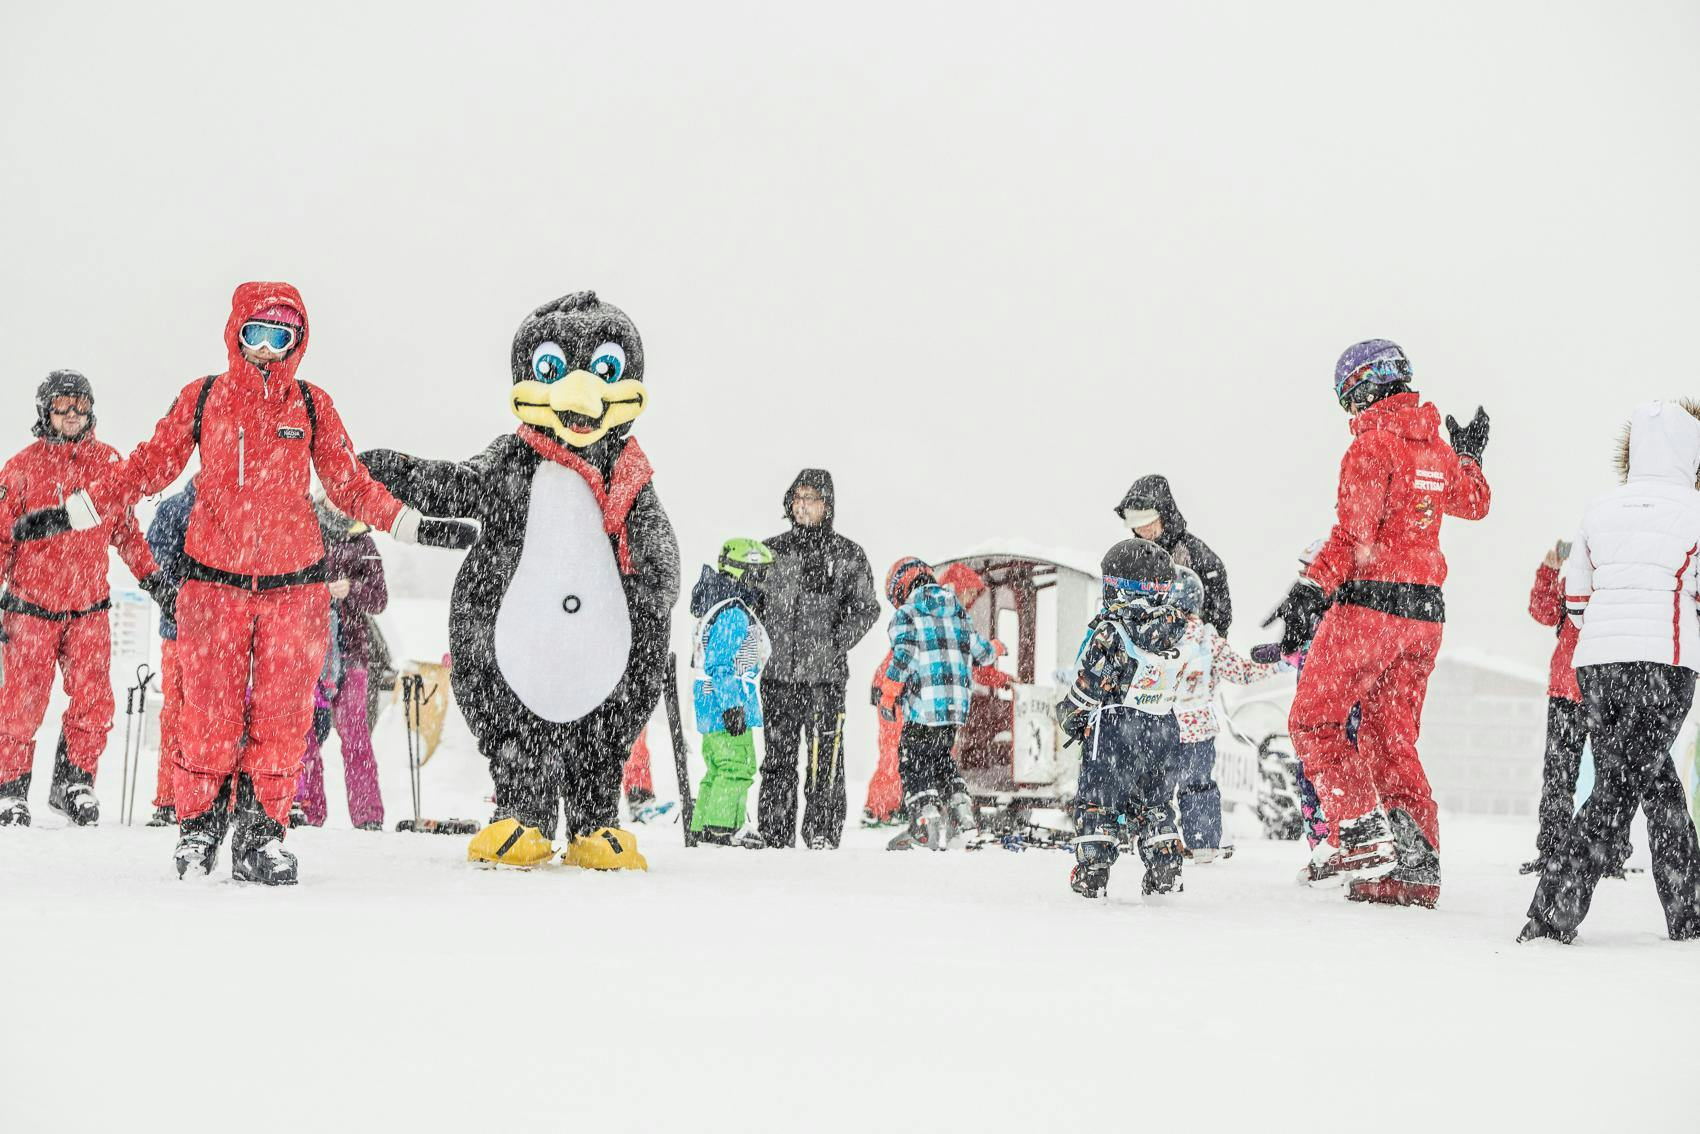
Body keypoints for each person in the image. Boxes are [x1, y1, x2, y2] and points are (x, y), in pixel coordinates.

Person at [114, 282, 426, 883]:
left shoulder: (311, 405)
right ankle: (199, 827)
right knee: (209, 711)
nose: (266, 349)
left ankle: (261, 834)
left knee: (285, 715)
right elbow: (152, 464)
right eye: (256, 334)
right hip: (213, 584)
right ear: (236, 333)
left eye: (280, 336)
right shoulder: (204, 398)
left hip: (295, 587)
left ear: (297, 342)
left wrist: (405, 522)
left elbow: (349, 483)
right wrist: (94, 503)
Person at [1271, 339, 1489, 909]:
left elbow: (1353, 537)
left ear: (1361, 389)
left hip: (1370, 606)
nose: (1350, 414)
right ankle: (1413, 869)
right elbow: (1474, 502)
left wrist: (1309, 590)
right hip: (1424, 617)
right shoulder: (1437, 451)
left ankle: (1363, 835)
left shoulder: (1372, 446)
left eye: (1348, 401)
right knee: (1389, 738)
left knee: (1315, 720)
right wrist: (1470, 458)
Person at [1521, 400, 1700, 944]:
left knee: (1654, 782)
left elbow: (1575, 599)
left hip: (1597, 667)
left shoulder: (1599, 508)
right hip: (1664, 665)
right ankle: (1553, 913)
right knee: (1621, 786)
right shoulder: (1694, 511)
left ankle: (1689, 909)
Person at [0, 371, 172, 827]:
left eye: (80, 406)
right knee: (21, 702)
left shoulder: (108, 464)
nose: (73, 415)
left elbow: (127, 533)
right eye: (63, 407)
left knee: (95, 702)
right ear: (45, 412)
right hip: (29, 609)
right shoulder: (19, 470)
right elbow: (1, 541)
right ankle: (9, 789)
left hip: (89, 609)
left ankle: (74, 783)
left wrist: (154, 579)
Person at [1056, 538, 1190, 898]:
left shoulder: (1111, 629)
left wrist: (1070, 713)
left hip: (1114, 728)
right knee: (1157, 801)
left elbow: (1090, 681)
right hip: (1163, 727)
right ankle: (1164, 859)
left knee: (1099, 798)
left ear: (1115, 588)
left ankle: (1094, 867)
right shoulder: (1177, 628)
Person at [755, 469, 879, 849]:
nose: (803, 505)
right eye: (798, 498)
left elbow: (866, 608)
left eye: (812, 498)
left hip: (825, 681)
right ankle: (774, 834)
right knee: (777, 761)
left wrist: (835, 641)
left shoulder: (847, 554)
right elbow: (751, 605)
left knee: (825, 762)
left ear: (828, 505)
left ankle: (822, 833)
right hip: (776, 676)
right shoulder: (769, 551)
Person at [862, 562, 1007, 827]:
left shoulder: (908, 613)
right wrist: (996, 648)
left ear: (901, 589)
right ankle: (960, 806)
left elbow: (903, 657)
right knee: (941, 758)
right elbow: (981, 654)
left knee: (910, 759)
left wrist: (888, 695)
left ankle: (923, 816)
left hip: (920, 703)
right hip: (954, 709)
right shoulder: (957, 612)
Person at [1523, 539, 1633, 876]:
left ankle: (1594, 852)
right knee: (1580, 777)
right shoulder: (1587, 583)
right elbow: (1542, 611)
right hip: (1588, 691)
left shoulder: (1609, 585)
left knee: (1591, 777)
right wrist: (1550, 568)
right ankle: (1580, 851)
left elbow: (1543, 612)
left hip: (1585, 689)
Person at [290, 498, 389, 830]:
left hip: (353, 652)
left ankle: (368, 816)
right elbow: (287, 586)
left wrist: (353, 589)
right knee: (305, 736)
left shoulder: (365, 541)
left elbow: (380, 598)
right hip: (308, 652)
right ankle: (307, 809)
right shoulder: (302, 528)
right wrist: (317, 591)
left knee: (357, 736)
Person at [1171, 565, 1279, 860]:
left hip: (1164, 725)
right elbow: (1243, 672)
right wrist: (1277, 664)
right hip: (1200, 730)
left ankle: (1157, 839)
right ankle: (1204, 842)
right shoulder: (1208, 641)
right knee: (1199, 785)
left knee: (1156, 787)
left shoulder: (1158, 637)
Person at [687, 538, 773, 847]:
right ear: (741, 573)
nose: (763, 583)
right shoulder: (734, 612)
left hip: (712, 703)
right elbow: (721, 664)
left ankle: (706, 825)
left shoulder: (721, 606)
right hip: (724, 704)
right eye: (758, 574)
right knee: (737, 766)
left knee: (719, 768)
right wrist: (732, 705)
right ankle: (722, 827)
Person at [1114, 474, 1232, 635]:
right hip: (1143, 644)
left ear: (1165, 515)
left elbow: (1220, 617)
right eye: (1136, 525)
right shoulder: (1135, 557)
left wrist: (1200, 636)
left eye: (1148, 522)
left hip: (1188, 647)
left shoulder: (1199, 557)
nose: (1142, 530)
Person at [143, 480, 196, 826]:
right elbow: (156, 565)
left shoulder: (241, 507)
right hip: (180, 633)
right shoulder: (174, 509)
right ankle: (170, 797)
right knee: (177, 713)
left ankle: (219, 797)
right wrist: (189, 599)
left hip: (228, 636)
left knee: (226, 717)